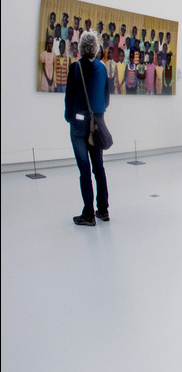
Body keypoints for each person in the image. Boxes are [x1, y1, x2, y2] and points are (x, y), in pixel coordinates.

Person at [64, 30, 110, 226]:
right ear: (97, 48)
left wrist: (70, 117)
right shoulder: (102, 69)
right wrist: (98, 114)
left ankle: (88, 214)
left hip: (79, 123)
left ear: (82, 47)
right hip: (96, 122)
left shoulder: (75, 68)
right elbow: (106, 99)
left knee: (85, 169)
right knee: (98, 166)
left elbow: (69, 98)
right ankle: (103, 210)